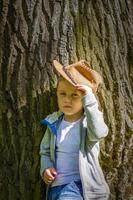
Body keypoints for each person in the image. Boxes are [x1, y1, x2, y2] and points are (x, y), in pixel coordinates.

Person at [40, 60, 110, 200]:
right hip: (55, 187)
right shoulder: (54, 122)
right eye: (63, 94)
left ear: (84, 98)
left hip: (79, 186)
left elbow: (99, 133)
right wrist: (46, 168)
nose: (67, 100)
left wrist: (90, 100)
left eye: (74, 95)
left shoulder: (88, 123)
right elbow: (45, 151)